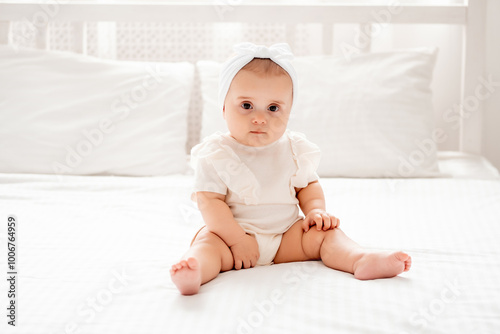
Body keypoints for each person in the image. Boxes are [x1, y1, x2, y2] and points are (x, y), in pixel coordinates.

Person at [170, 42, 411, 295]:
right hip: (231, 239)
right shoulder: (217, 153)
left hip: (286, 237)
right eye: (246, 105)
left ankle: (359, 258)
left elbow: (308, 185)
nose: (260, 118)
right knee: (208, 244)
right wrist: (237, 240)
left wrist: (316, 211)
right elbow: (210, 203)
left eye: (273, 108)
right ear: (223, 108)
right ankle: (194, 271)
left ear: (289, 111)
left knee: (326, 234)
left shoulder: (294, 149)